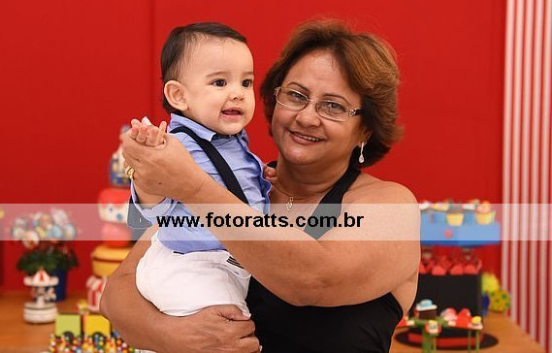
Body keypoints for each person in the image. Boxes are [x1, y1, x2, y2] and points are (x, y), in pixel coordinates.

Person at [101, 20, 420, 353]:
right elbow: (116, 292)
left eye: (333, 106)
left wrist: (193, 188)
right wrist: (175, 336)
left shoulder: (390, 205)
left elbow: (312, 278)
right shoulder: (229, 183)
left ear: (365, 129)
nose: (307, 117)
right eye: (296, 95)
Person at [128, 22, 271, 321]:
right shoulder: (174, 145)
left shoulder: (232, 141)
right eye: (220, 82)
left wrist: (263, 180)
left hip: (228, 260)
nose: (238, 93)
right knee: (230, 325)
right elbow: (152, 207)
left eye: (246, 82)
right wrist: (146, 170)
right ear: (178, 96)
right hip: (191, 264)